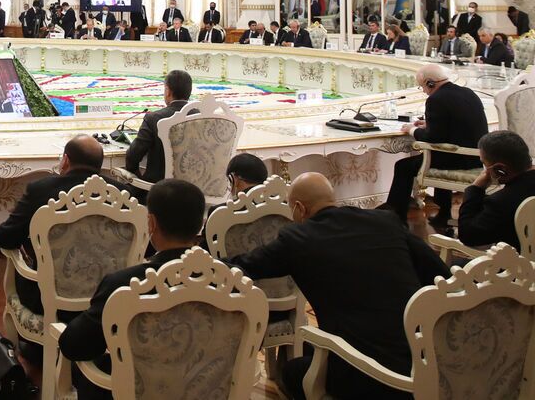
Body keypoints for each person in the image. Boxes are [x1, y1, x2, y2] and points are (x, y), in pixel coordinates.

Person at [227, 173, 446, 400]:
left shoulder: (298, 239)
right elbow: (441, 275)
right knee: (309, 348)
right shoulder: (385, 221)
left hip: (370, 375)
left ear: (299, 209)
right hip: (429, 360)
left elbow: (246, 266)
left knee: (291, 372)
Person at [58, 179, 206, 399]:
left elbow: (74, 345)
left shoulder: (124, 284)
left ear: (151, 223)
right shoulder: (232, 280)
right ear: (201, 223)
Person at [0, 136, 105, 321]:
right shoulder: (122, 194)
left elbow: (5, 238)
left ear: (66, 160)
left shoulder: (42, 190)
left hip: (46, 300)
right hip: (105, 302)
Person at [385, 63, 488, 225]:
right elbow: (458, 123)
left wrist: (412, 130)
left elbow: (432, 138)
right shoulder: (467, 92)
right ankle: (443, 213)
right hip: (476, 157)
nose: (424, 91)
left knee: (403, 167)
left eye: (422, 87)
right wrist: (429, 124)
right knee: (438, 155)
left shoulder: (436, 99)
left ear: (430, 83)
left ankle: (395, 218)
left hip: (457, 158)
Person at [455, 130, 535, 249]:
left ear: (500, 169)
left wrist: (475, 188)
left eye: (484, 164)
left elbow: (468, 235)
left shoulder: (501, 201)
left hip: (519, 259)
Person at [122, 70, 192, 188]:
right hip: (193, 191)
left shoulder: (153, 118)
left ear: (168, 91)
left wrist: (138, 180)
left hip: (158, 191)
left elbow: (132, 157)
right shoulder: (203, 117)